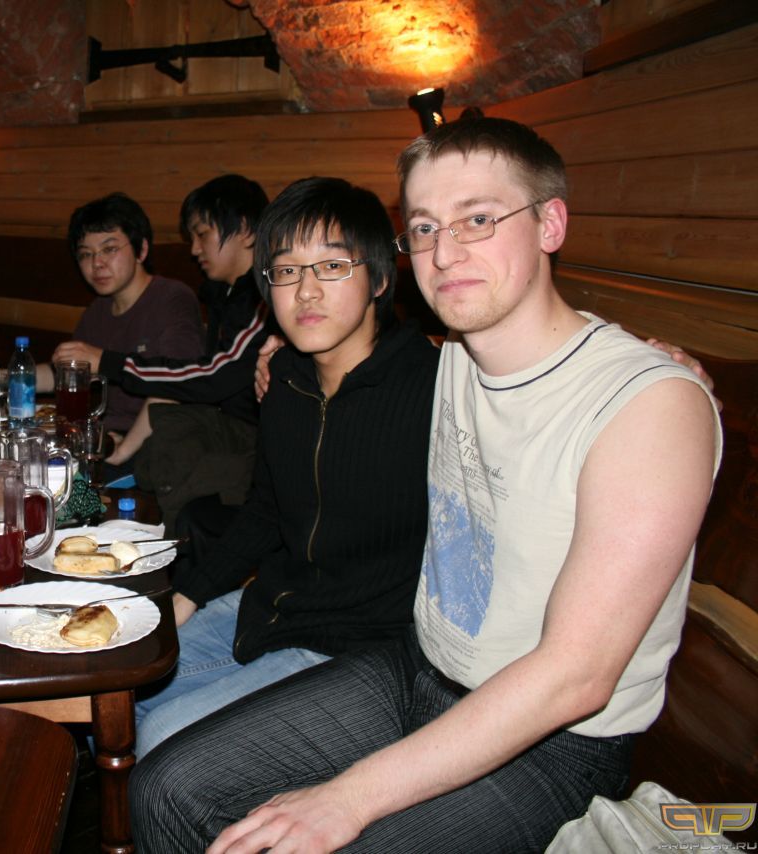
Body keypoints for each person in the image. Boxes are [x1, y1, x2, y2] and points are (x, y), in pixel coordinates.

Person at [131, 116, 721, 853]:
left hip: (554, 743)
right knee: (163, 789)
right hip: (416, 668)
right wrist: (281, 357)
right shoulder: (456, 364)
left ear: (550, 223)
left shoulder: (647, 405)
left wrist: (345, 799)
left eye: (478, 219)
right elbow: (347, 379)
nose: (446, 251)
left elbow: (576, 678)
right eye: (425, 227)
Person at [133, 176, 438, 758]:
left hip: (363, 650)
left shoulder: (432, 388)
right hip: (279, 608)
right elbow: (266, 512)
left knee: (165, 738)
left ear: (378, 278)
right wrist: (187, 595)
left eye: (332, 266)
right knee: (130, 674)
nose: (306, 291)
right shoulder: (286, 382)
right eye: (286, 270)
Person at [53, 176, 276, 527]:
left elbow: (210, 375)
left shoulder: (263, 296)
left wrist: (108, 363)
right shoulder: (225, 295)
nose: (194, 250)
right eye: (86, 254)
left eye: (202, 234)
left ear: (246, 230)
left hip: (247, 446)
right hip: (205, 437)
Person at [36, 192, 203, 435]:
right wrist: (7, 378)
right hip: (107, 436)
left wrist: (123, 449)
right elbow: (67, 373)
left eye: (109, 249)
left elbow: (173, 387)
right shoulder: (98, 310)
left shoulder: (173, 298)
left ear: (141, 250)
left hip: (157, 441)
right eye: (86, 254)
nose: (97, 263)